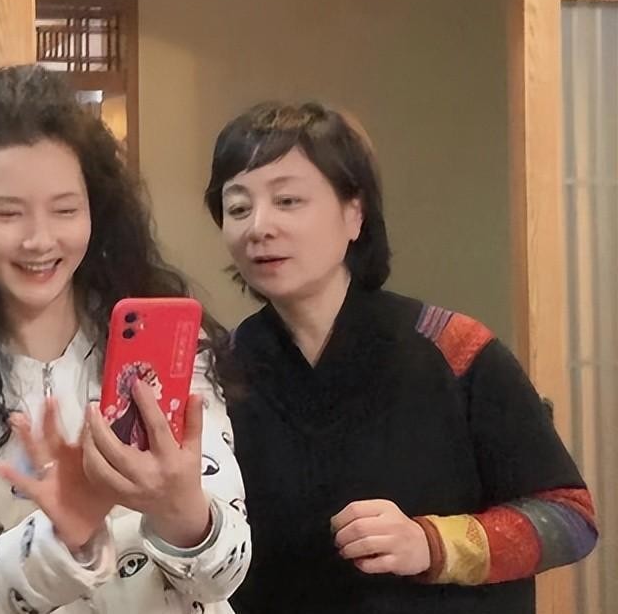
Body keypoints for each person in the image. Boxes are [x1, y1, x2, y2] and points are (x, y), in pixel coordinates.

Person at [205, 101, 598, 614]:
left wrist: (432, 545)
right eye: (238, 208)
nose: (259, 227)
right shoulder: (221, 370)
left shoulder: (453, 347)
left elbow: (570, 517)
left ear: (354, 213)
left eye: (288, 200)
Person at [0, 65, 250, 614]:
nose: (39, 240)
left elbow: (224, 576)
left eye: (65, 210)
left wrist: (183, 513)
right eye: (8, 213)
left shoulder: (168, 347)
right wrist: (62, 539)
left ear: (95, 213)